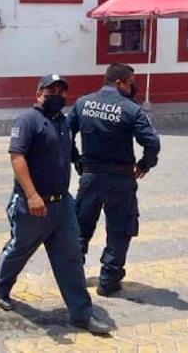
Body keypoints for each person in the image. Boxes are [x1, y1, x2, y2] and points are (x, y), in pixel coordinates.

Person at [0, 74, 112, 335]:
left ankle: (82, 315)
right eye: (50, 90)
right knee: (19, 250)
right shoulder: (27, 120)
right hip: (32, 204)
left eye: (61, 90)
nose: (56, 94)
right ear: (38, 94)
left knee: (70, 259)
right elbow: (17, 157)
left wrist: (81, 164)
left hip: (63, 206)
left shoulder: (64, 123)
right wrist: (32, 195)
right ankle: (1, 286)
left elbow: (68, 151)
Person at [67, 63, 161, 297]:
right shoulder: (131, 109)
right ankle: (108, 281)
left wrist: (75, 159)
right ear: (118, 82)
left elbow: (64, 133)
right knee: (119, 230)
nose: (134, 86)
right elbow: (152, 142)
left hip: (90, 177)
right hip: (120, 180)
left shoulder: (83, 103)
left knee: (81, 228)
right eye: (131, 81)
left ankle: (71, 277)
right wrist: (144, 165)